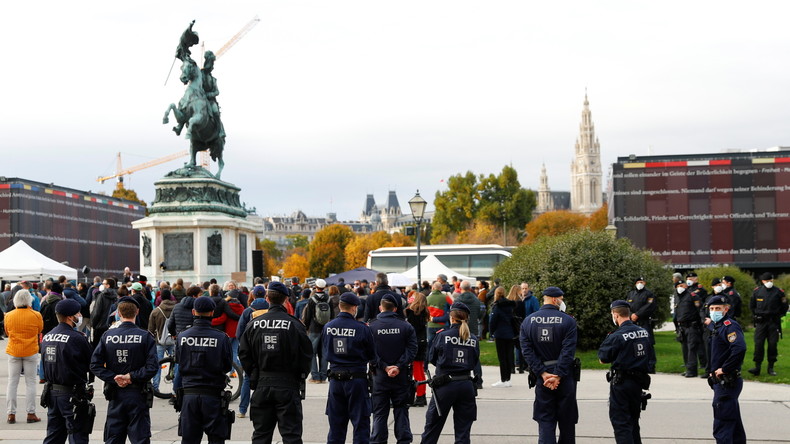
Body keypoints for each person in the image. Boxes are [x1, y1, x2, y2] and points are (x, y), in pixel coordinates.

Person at [238, 281, 312, 444]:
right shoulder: (295, 325)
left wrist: (254, 374)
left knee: (261, 435)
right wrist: (299, 375)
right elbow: (306, 355)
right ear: (286, 299)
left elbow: (243, 353)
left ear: (267, 298)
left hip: (262, 384)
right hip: (287, 384)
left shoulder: (254, 324)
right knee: (291, 435)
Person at [90, 296, 158, 444]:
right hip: (138, 393)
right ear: (137, 312)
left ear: (118, 313)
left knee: (114, 437)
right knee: (140, 437)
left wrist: (114, 377)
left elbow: (95, 364)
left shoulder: (108, 336)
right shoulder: (145, 336)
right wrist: (131, 376)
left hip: (116, 393)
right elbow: (152, 367)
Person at [520, 287, 578, 444]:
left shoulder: (528, 321)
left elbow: (527, 352)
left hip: (543, 378)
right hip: (564, 377)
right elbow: (568, 351)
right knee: (567, 422)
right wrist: (558, 374)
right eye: (562, 298)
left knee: (546, 420)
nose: (563, 301)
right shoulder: (568, 320)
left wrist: (543, 373)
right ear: (555, 300)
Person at [175, 296, 234, 444]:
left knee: (189, 440)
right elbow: (227, 366)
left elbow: (178, 362)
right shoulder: (221, 338)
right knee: (216, 440)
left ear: (194, 312)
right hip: (213, 395)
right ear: (212, 312)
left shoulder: (182, 336)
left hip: (189, 395)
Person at [421, 301, 480, 444]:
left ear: (451, 318)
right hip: (466, 385)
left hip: (445, 385)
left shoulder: (442, 335)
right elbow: (474, 360)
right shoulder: (473, 338)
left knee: (432, 428)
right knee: (463, 432)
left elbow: (432, 358)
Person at [322, 292, 376, 444]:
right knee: (361, 424)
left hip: (335, 380)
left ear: (340, 306)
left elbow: (325, 350)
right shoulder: (362, 328)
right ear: (354, 308)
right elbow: (372, 354)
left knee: (336, 425)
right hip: (356, 380)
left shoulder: (328, 327)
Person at [598, 300, 652, 444]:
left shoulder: (616, 336)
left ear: (615, 315)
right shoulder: (643, 332)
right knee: (634, 421)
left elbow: (603, 358)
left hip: (621, 384)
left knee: (621, 423)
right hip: (638, 383)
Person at [41, 299, 94, 444]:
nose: (80, 315)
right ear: (71, 317)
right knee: (77, 434)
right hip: (72, 394)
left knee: (54, 435)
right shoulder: (77, 338)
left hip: (52, 393)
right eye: (78, 313)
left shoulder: (48, 336)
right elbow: (92, 363)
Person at [369, 294, 417, 444]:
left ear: (380, 308)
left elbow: (369, 352)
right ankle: (403, 440)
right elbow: (412, 350)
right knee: (401, 410)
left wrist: (384, 366)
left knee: (379, 412)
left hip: (379, 376)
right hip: (401, 375)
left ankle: (378, 440)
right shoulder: (406, 326)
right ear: (395, 309)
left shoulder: (372, 326)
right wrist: (399, 366)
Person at [706, 295, 747, 443]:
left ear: (726, 309)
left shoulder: (730, 326)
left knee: (722, 424)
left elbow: (739, 348)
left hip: (727, 381)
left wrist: (725, 368)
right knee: (733, 424)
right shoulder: (718, 326)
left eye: (718, 308)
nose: (714, 311)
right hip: (722, 382)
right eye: (711, 309)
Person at [4, 289, 44, 424]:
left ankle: (11, 414)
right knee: (31, 382)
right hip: (30, 351)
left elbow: (7, 332)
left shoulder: (8, 315)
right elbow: (39, 330)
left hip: (14, 351)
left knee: (12, 382)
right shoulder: (36, 315)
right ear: (29, 300)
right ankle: (31, 413)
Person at [235, 285, 270, 419]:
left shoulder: (247, 311)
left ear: (253, 296)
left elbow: (239, 333)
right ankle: (263, 409)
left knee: (247, 379)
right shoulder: (270, 310)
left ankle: (243, 409)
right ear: (266, 296)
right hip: (267, 348)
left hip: (250, 350)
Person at [748, 272, 788, 376]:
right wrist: (756, 315)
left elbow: (784, 306)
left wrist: (779, 316)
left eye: (770, 280)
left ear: (772, 280)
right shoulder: (757, 292)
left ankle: (771, 367)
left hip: (773, 322)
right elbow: (752, 305)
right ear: (762, 281)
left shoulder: (779, 292)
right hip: (761, 322)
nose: (768, 282)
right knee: (759, 344)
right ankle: (757, 367)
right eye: (766, 281)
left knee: (772, 345)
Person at [302, 279, 336, 383]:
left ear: (316, 287)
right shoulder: (329, 299)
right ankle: (323, 376)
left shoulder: (312, 299)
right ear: (325, 287)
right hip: (326, 328)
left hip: (314, 329)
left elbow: (308, 316)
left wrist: (306, 327)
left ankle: (315, 376)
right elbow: (332, 315)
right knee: (324, 353)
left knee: (312, 353)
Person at [626, 277, 658, 373]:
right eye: (639, 282)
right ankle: (636, 365)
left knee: (648, 343)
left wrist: (637, 314)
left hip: (644, 323)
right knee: (633, 344)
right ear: (635, 283)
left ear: (645, 283)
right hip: (633, 323)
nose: (640, 283)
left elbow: (649, 306)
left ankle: (651, 366)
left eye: (642, 282)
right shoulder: (631, 294)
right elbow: (627, 306)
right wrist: (631, 315)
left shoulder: (649, 294)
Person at [148, 289, 176, 397]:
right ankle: (175, 389)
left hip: (159, 342)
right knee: (175, 364)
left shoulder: (156, 311)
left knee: (157, 365)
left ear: (161, 297)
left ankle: (156, 388)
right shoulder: (176, 309)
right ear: (171, 297)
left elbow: (150, 329)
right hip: (173, 341)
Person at [674, 280, 705, 377]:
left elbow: (699, 309)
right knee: (685, 349)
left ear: (685, 286)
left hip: (692, 326)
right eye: (678, 285)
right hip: (682, 327)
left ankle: (692, 370)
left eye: (682, 285)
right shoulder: (677, 297)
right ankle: (688, 368)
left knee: (692, 348)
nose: (680, 287)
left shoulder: (692, 296)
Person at [405, 291, 430, 407]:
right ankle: (421, 395)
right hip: (422, 341)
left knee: (416, 370)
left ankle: (419, 395)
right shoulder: (423, 313)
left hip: (415, 342)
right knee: (419, 369)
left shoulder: (412, 313)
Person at [489, 286, 516, 387]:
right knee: (509, 357)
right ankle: (508, 379)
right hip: (510, 333)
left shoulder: (496, 306)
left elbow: (493, 321)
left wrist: (491, 332)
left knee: (502, 358)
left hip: (500, 334)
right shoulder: (511, 305)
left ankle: (503, 379)